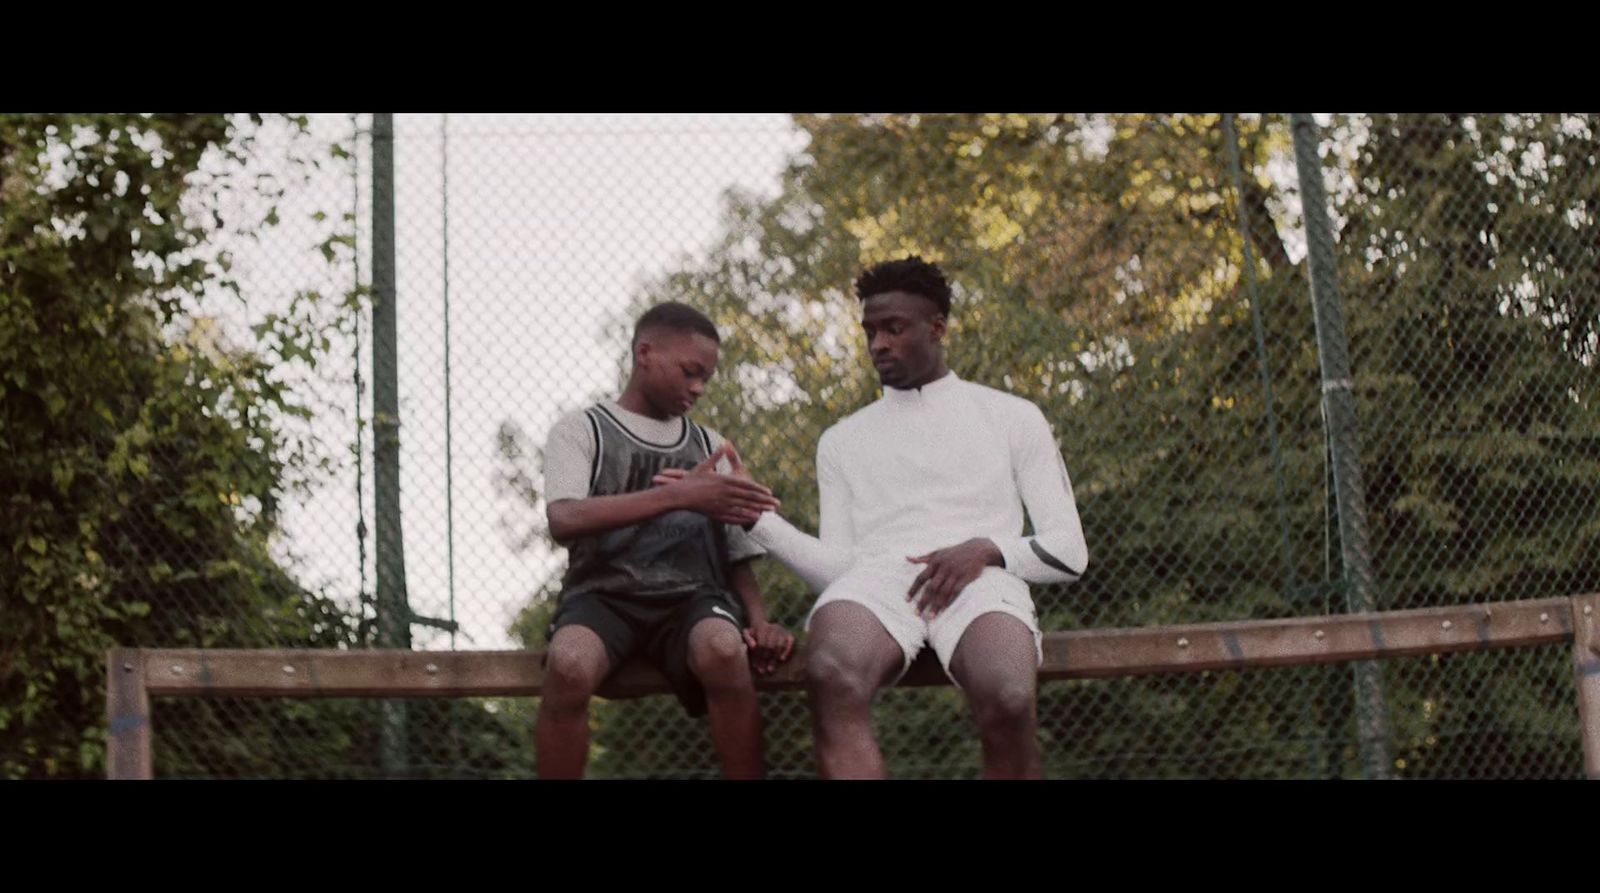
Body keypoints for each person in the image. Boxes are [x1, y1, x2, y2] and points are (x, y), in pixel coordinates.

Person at [660, 257, 1087, 779]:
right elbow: (839, 569)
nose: (878, 343)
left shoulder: (1013, 416)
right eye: (870, 331)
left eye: (894, 328)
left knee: (1010, 698)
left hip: (982, 580)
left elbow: (1069, 551)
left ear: (937, 327)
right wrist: (754, 518)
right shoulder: (842, 439)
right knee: (831, 675)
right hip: (876, 585)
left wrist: (986, 549)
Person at [535, 301, 795, 779]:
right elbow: (564, 518)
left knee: (722, 648)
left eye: (706, 379)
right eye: (690, 372)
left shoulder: (708, 444)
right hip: (603, 598)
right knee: (569, 663)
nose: (697, 388)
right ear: (645, 353)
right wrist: (679, 496)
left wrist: (759, 622)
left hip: (691, 601)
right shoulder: (582, 429)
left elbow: (738, 552)